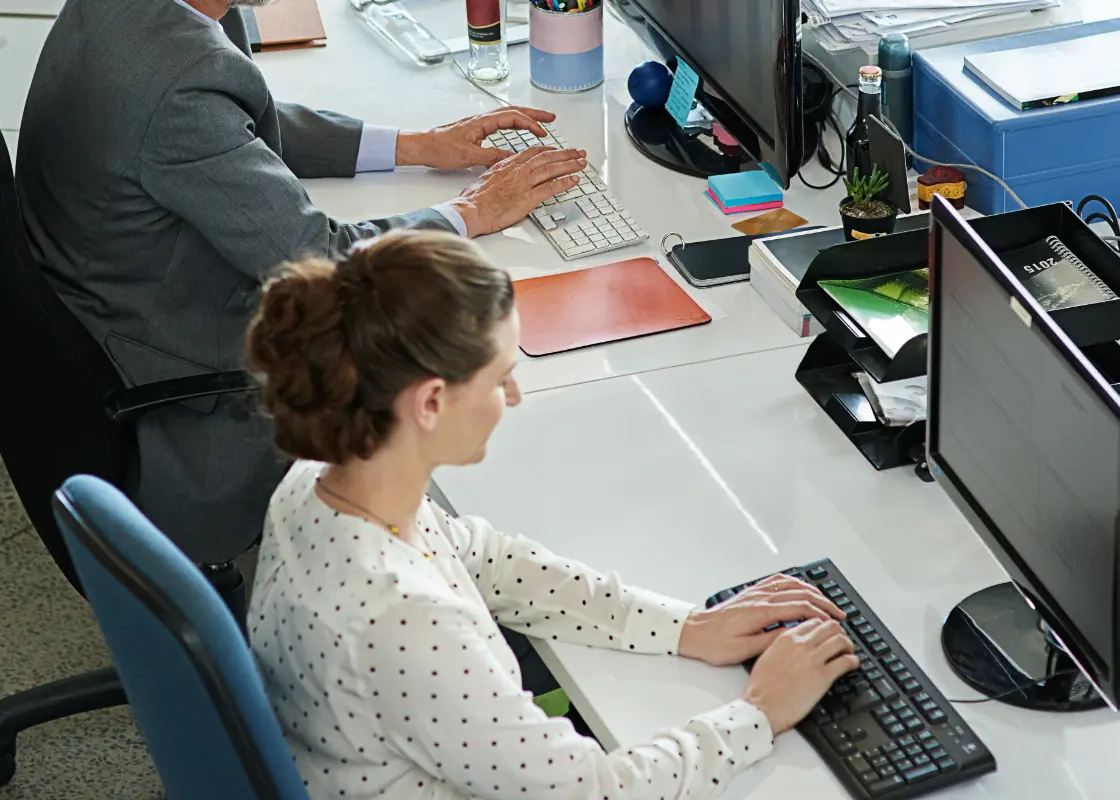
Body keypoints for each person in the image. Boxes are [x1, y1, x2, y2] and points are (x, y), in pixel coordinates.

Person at [244, 230, 860, 798]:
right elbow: (597, 792)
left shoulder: (323, 480)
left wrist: (683, 627)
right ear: (431, 401)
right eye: (500, 378)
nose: (513, 397)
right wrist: (759, 712)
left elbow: (482, 557)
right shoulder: (401, 622)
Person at [15, 0, 585, 566]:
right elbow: (323, 259)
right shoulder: (178, 84)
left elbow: (229, 124)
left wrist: (412, 147)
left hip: (120, 322)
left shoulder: (139, 22)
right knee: (475, 368)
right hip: (196, 411)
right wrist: (472, 212)